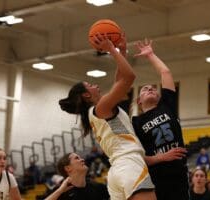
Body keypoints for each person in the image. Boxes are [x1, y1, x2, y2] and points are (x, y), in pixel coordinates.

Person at [59, 33, 156, 200]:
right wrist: (111, 49)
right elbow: (129, 77)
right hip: (130, 165)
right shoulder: (101, 108)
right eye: (90, 85)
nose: (95, 85)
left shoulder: (97, 112)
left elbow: (119, 80)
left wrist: (122, 50)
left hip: (117, 171)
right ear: (86, 96)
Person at [132, 39, 189, 200]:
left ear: (159, 96)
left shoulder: (167, 106)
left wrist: (150, 55)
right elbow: (135, 158)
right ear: (138, 101)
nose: (150, 88)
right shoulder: (135, 123)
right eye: (145, 89)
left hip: (179, 176)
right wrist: (162, 157)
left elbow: (166, 73)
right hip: (155, 179)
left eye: (153, 88)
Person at [45, 153, 109, 200]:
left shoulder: (97, 186)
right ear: (68, 168)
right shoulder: (60, 192)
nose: (82, 160)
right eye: (77, 158)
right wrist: (59, 191)